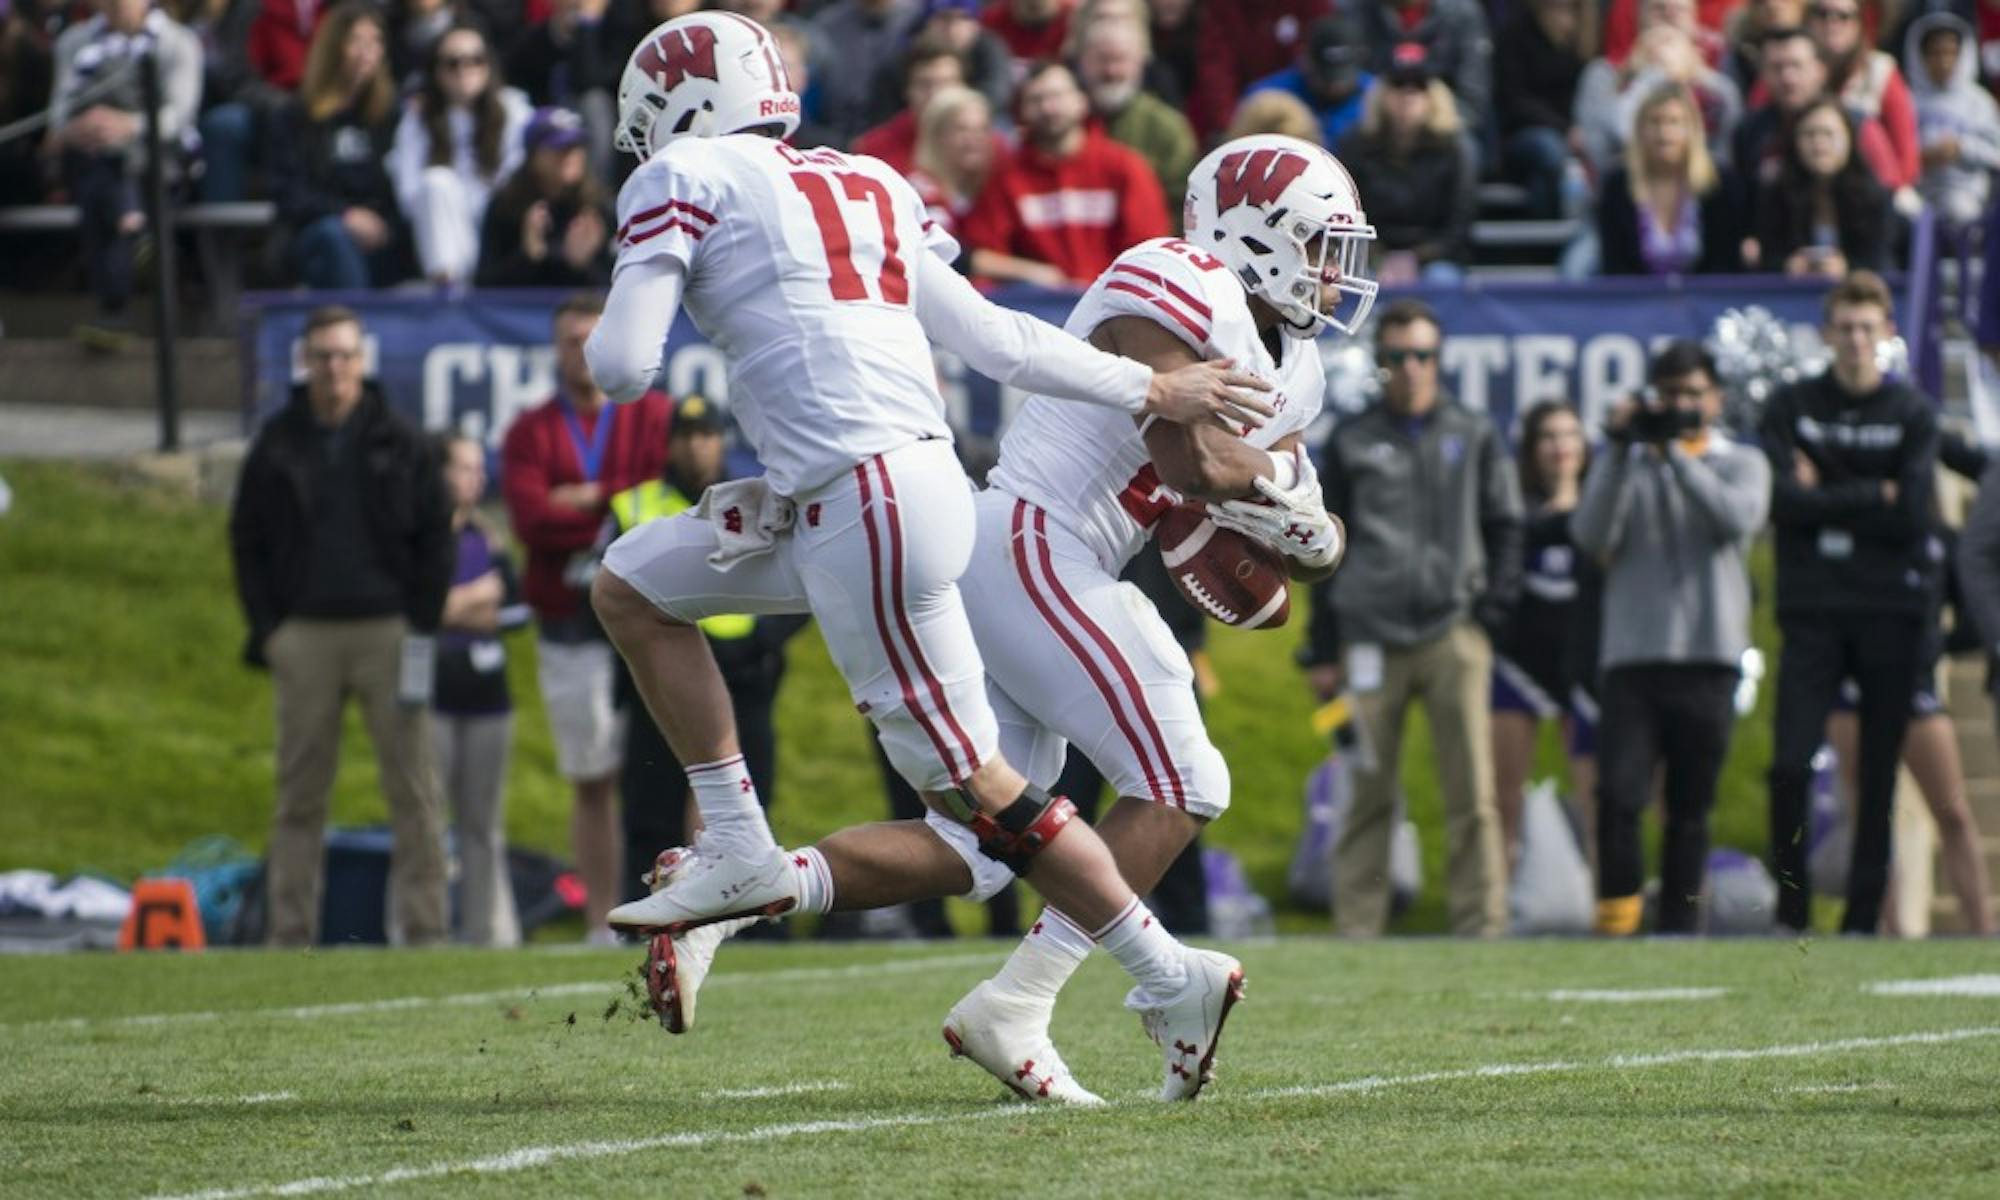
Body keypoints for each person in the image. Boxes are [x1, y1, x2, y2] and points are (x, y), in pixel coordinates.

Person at [582, 12, 1276, 1098]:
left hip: (864, 506)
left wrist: (616, 306)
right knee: (632, 583)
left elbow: (623, 365)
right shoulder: (867, 182)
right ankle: (732, 841)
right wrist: (1145, 387)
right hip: (884, 491)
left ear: (675, 105)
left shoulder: (683, 170)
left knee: (978, 796)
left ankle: (1166, 971)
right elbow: (997, 340)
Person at [227, 306, 454, 947]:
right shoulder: (278, 442)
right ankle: (290, 932)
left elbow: (438, 530)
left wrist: (421, 619)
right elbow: (246, 538)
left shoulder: (398, 438)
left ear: (362, 361)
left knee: (413, 790)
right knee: (299, 792)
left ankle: (425, 929)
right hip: (305, 632)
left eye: (345, 356)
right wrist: (269, 628)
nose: (334, 368)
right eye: (323, 356)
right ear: (306, 362)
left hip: (388, 629)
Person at [1304, 299, 1523, 938]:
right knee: (1367, 790)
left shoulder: (1474, 430)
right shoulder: (1352, 439)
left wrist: (1489, 613)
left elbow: (1507, 524)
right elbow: (1323, 550)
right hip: (1367, 637)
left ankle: (1482, 926)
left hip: (1453, 632)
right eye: (1397, 357)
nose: (1411, 369)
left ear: (1439, 360)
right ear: (1380, 363)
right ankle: (1358, 930)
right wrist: (1323, 648)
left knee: (1473, 793)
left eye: (1422, 356)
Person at [1762, 270, 1940, 935]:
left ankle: (1863, 919)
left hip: (1889, 611)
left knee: (1878, 776)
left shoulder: (1913, 413)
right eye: (1845, 326)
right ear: (1826, 332)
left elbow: (1913, 516)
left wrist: (1826, 489)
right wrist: (1874, 493)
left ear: (1887, 332)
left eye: (1868, 327)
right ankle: (1791, 909)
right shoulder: (1791, 403)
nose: (1856, 339)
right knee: (1788, 764)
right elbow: (1782, 501)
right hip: (1811, 610)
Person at [1571, 341, 1770, 935]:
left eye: (1693, 395)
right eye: (1671, 395)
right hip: (1633, 657)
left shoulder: (1741, 461)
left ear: (1716, 400)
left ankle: (1681, 929)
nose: (1681, 405)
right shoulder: (1630, 462)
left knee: (1689, 808)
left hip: (1709, 657)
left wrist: (1677, 456)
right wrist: (1617, 449)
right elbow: (1589, 533)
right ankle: (1618, 920)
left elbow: (1736, 520)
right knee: (1620, 797)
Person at [499, 293, 672, 945]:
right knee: (591, 774)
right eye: (568, 339)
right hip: (568, 620)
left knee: (661, 769)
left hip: (649, 614)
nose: (580, 350)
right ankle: (603, 917)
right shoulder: (530, 431)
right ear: (555, 349)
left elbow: (660, 493)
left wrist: (592, 498)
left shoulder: (650, 415)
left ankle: (678, 912)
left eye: (590, 337)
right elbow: (529, 518)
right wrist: (617, 503)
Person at [600, 396, 807, 909]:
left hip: (746, 673)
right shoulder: (634, 504)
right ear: (669, 442)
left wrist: (764, 642)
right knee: (652, 804)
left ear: (721, 440)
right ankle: (641, 909)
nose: (696, 445)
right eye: (686, 435)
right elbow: (605, 588)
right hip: (665, 672)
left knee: (751, 802)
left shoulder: (755, 500)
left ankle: (750, 918)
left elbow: (803, 578)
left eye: (706, 434)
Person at [1825, 431, 1996, 935]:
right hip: (1855, 689)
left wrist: (1931, 651)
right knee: (1869, 811)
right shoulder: (1856, 532)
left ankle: (1981, 926)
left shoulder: (1941, 542)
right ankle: (1890, 926)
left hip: (1915, 689)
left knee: (1953, 811)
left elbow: (1971, 617)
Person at [47, 0, 203, 344]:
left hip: (158, 162)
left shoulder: (178, 42)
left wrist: (128, 125)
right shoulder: (73, 42)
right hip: (90, 157)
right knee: (103, 175)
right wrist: (78, 128)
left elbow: (179, 117)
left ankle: (113, 309)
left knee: (104, 186)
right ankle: (133, 224)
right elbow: (57, 114)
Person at [1489, 402, 1598, 873]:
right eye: (1549, 437)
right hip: (1519, 663)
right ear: (1532, 450)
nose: (1560, 447)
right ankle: (1498, 912)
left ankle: (1609, 912)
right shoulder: (1514, 511)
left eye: (1570, 435)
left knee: (1599, 801)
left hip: (1586, 664)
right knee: (1502, 799)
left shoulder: (1602, 507)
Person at [432, 433, 530, 947]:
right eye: (464, 467)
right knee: (427, 823)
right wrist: (477, 597)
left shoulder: (489, 539)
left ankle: (488, 932)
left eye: (477, 468)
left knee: (483, 825)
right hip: (431, 696)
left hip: (488, 697)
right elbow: (422, 610)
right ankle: (421, 930)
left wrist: (459, 608)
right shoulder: (422, 537)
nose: (476, 477)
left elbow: (514, 611)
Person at [962, 60, 1171, 288]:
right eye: (1035, 100)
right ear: (1022, 110)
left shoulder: (1125, 168)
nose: (1048, 108)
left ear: (1082, 101)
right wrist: (1033, 272)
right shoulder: (1005, 177)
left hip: (1113, 306)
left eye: (1057, 96)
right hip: (1036, 309)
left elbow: (1149, 252)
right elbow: (982, 254)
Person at [265, 1, 407, 289]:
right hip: (317, 233)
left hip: (382, 234)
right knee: (335, 238)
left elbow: (403, 184)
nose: (367, 51)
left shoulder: (393, 114)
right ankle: (355, 326)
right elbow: (288, 193)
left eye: (375, 41)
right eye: (355, 40)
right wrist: (346, 215)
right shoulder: (295, 115)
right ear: (332, 47)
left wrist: (380, 223)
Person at [386, 22, 531, 285]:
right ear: (436, 71)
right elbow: (408, 195)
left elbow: (518, 181)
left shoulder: (514, 110)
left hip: (496, 234)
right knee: (436, 181)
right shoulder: (417, 119)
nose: (465, 70)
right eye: (452, 62)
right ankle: (449, 292)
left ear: (489, 66)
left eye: (476, 60)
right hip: (443, 234)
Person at [1337, 45, 1478, 286]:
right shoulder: (1355, 145)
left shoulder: (1456, 149)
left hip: (1435, 258)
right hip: (1370, 256)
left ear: (1433, 97)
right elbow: (1344, 215)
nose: (1407, 97)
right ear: (1382, 94)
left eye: (1418, 88)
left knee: (1442, 279)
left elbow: (1459, 227)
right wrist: (1378, 256)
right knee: (1355, 281)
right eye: (1398, 86)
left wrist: (1415, 258)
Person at [1596, 81, 1745, 275]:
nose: (1664, 133)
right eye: (1655, 122)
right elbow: (1614, 265)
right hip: (1636, 300)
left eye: (1674, 122)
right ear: (1640, 130)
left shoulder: (1721, 182)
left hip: (1707, 299)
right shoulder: (1616, 185)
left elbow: (1726, 261)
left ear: (1692, 129)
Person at [1750, 96, 1891, 277]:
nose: (1819, 143)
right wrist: (1787, 265)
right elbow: (1765, 258)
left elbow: (1883, 262)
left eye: (1828, 134)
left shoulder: (1874, 196)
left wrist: (1847, 268)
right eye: (1809, 134)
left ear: (1849, 139)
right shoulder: (1775, 193)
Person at [475, 106, 613, 287]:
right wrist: (527, 256)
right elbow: (483, 287)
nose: (569, 156)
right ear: (533, 156)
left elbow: (619, 285)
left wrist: (582, 264)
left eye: (575, 147)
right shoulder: (505, 207)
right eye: (559, 148)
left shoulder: (599, 208)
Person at [1074, 10, 1198, 208]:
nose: (1111, 71)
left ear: (1140, 62)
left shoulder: (1167, 127)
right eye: (1103, 59)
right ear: (1083, 61)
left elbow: (1183, 203)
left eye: (1120, 59)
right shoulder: (1064, 124)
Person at [1806, 0, 1918, 192]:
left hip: (1872, 192)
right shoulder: (1791, 68)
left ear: (1859, 23)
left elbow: (1907, 162)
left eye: (1843, 16)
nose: (1832, 23)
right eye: (1822, 14)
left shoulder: (1881, 72)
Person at [1495, 0, 1591, 220]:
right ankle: (1546, 228)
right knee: (1549, 150)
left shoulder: (1586, 32)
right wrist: (1565, 129)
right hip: (1524, 134)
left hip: (1578, 131)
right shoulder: (1515, 33)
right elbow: (1514, 100)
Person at [1904, 13, 2000, 229]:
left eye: (1951, 53)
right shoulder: (1908, 99)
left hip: (1969, 193)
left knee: (1960, 210)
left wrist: (1961, 148)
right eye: (1934, 53)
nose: (1943, 61)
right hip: (1920, 192)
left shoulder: (1979, 101)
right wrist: (1922, 156)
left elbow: (1996, 153)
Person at [1244, 13, 1375, 151]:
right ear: (1306, 61)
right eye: (1326, 77)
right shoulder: (1268, 96)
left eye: (1343, 76)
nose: (1335, 86)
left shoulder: (1375, 96)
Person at [851, 35, 967, 175]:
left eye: (945, 84)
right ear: (907, 90)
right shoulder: (872, 152)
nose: (935, 94)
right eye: (925, 84)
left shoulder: (986, 149)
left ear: (964, 88)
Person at [907, 84, 998, 244]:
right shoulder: (919, 192)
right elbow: (951, 255)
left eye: (982, 129)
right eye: (962, 129)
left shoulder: (993, 184)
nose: (974, 139)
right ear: (937, 135)